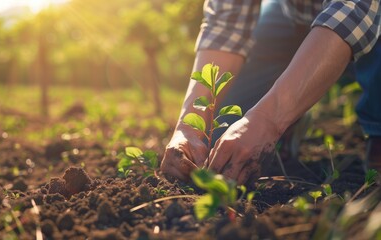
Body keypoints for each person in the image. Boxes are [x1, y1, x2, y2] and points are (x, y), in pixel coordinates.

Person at [160, 0, 381, 184]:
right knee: (224, 134)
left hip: (366, 12)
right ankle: (290, 116)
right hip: (294, 14)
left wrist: (268, 120)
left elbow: (352, 12)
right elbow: (225, 25)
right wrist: (188, 125)